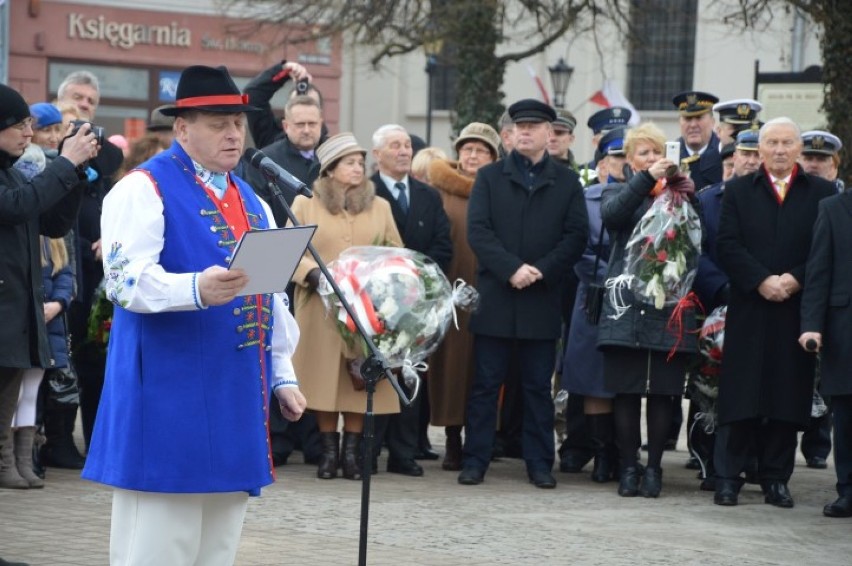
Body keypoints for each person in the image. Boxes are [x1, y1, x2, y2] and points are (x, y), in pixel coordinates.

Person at [80, 65, 307, 564]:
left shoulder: (255, 201)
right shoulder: (142, 189)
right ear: (182, 128)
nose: (233, 134)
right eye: (217, 123)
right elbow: (122, 280)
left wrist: (282, 375)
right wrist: (194, 288)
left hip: (234, 392)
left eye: (238, 123)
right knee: (160, 543)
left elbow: (270, 297)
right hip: (167, 391)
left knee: (218, 546)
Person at [458, 99, 588, 489]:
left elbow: (575, 236)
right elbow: (478, 231)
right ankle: (475, 459)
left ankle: (538, 462)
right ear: (510, 134)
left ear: (551, 134)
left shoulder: (566, 182)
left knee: (537, 388)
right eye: (521, 126)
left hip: (541, 298)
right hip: (498, 295)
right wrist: (511, 268)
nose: (527, 132)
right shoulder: (491, 178)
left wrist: (542, 270)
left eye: (535, 126)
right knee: (484, 385)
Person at [712, 117, 836, 509]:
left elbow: (823, 248)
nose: (780, 150)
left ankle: (776, 479)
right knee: (740, 395)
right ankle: (728, 478)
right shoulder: (737, 191)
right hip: (750, 305)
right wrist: (762, 280)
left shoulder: (821, 191)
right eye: (772, 143)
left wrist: (794, 280)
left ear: (799, 149)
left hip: (796, 309)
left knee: (787, 396)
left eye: (787, 143)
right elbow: (727, 245)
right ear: (759, 149)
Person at [289, 132, 403, 480]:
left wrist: (381, 279)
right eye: (350, 162)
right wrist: (313, 276)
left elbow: (396, 251)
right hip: (319, 307)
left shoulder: (380, 206)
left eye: (359, 162)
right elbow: (290, 250)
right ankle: (328, 452)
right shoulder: (304, 203)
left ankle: (353, 454)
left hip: (365, 310)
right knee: (324, 381)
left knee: (359, 379)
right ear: (331, 169)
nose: (358, 168)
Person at [0, 82, 97, 490]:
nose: (29, 133)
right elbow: (17, 207)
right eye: (21, 124)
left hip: (14, 319)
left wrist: (75, 172)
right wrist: (65, 163)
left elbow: (53, 224)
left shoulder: (12, 171)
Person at [597, 122, 700, 498]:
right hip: (627, 305)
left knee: (662, 392)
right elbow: (612, 217)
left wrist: (683, 189)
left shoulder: (683, 193)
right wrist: (644, 180)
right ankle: (628, 467)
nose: (653, 159)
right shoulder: (621, 189)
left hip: (669, 306)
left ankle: (654, 469)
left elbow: (696, 237)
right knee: (626, 391)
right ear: (630, 160)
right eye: (644, 153)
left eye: (659, 153)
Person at [370, 124, 453, 477]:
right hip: (375, 300)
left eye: (407, 145)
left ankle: (405, 452)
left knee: (409, 374)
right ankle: (369, 451)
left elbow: (442, 244)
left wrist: (418, 279)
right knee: (376, 375)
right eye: (395, 145)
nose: (404, 151)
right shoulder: (366, 193)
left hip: (417, 300)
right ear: (377, 155)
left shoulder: (428, 195)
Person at [56, 69, 124, 450]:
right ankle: (59, 442)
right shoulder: (56, 154)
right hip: (65, 275)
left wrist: (109, 240)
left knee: (96, 363)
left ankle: (97, 439)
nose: (84, 106)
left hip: (97, 280)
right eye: (78, 99)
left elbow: (113, 199)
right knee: (63, 365)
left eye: (90, 102)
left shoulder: (100, 158)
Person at [689, 129, 761, 487]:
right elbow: (695, 253)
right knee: (709, 389)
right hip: (716, 304)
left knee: (756, 387)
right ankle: (709, 462)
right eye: (738, 158)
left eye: (752, 155)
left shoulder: (773, 200)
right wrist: (722, 288)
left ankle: (751, 461)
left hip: (762, 304)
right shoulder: (707, 201)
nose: (746, 162)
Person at [427, 122, 500, 471]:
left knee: (484, 368)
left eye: (481, 150)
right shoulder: (441, 190)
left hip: (492, 290)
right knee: (453, 368)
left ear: (493, 157)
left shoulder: (499, 190)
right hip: (450, 290)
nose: (472, 155)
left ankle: (484, 437)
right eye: (467, 149)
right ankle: (453, 437)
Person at [561, 127, 627, 484]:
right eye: (615, 158)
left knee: (622, 379)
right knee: (591, 378)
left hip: (632, 300)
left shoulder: (649, 198)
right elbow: (578, 249)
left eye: (625, 158)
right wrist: (612, 276)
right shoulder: (585, 199)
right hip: (595, 295)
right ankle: (601, 454)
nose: (620, 164)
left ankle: (622, 453)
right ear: (601, 164)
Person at [799, 185, 852, 518]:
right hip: (844, 327)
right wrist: (811, 324)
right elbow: (818, 272)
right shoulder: (833, 209)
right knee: (846, 414)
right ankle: (848, 489)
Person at [797, 129, 844, 471]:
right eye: (809, 158)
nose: (814, 165)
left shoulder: (839, 203)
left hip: (834, 303)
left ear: (835, 168)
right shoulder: (794, 198)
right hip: (796, 293)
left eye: (822, 159)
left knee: (831, 384)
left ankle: (817, 444)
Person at [243, 60, 319, 150]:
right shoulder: (272, 141)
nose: (303, 111)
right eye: (297, 103)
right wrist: (284, 71)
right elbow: (253, 95)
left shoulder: (331, 152)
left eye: (309, 104)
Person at [673, 90, 722, 190]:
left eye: (699, 118)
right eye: (688, 119)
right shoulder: (670, 154)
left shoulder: (723, 154)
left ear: (712, 122)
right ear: (679, 122)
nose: (693, 125)